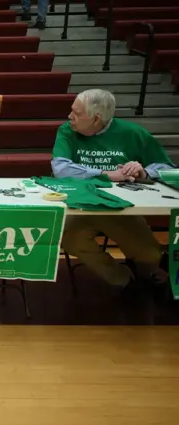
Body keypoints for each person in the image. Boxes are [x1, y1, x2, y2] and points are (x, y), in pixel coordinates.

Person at [51, 88, 174, 300]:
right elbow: (61, 170)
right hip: (80, 206)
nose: (70, 117)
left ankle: (150, 269)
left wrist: (144, 171)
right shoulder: (67, 131)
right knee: (70, 239)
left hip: (120, 207)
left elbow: (166, 167)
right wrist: (109, 174)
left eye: (77, 113)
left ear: (96, 118)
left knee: (149, 254)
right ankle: (124, 280)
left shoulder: (133, 133)